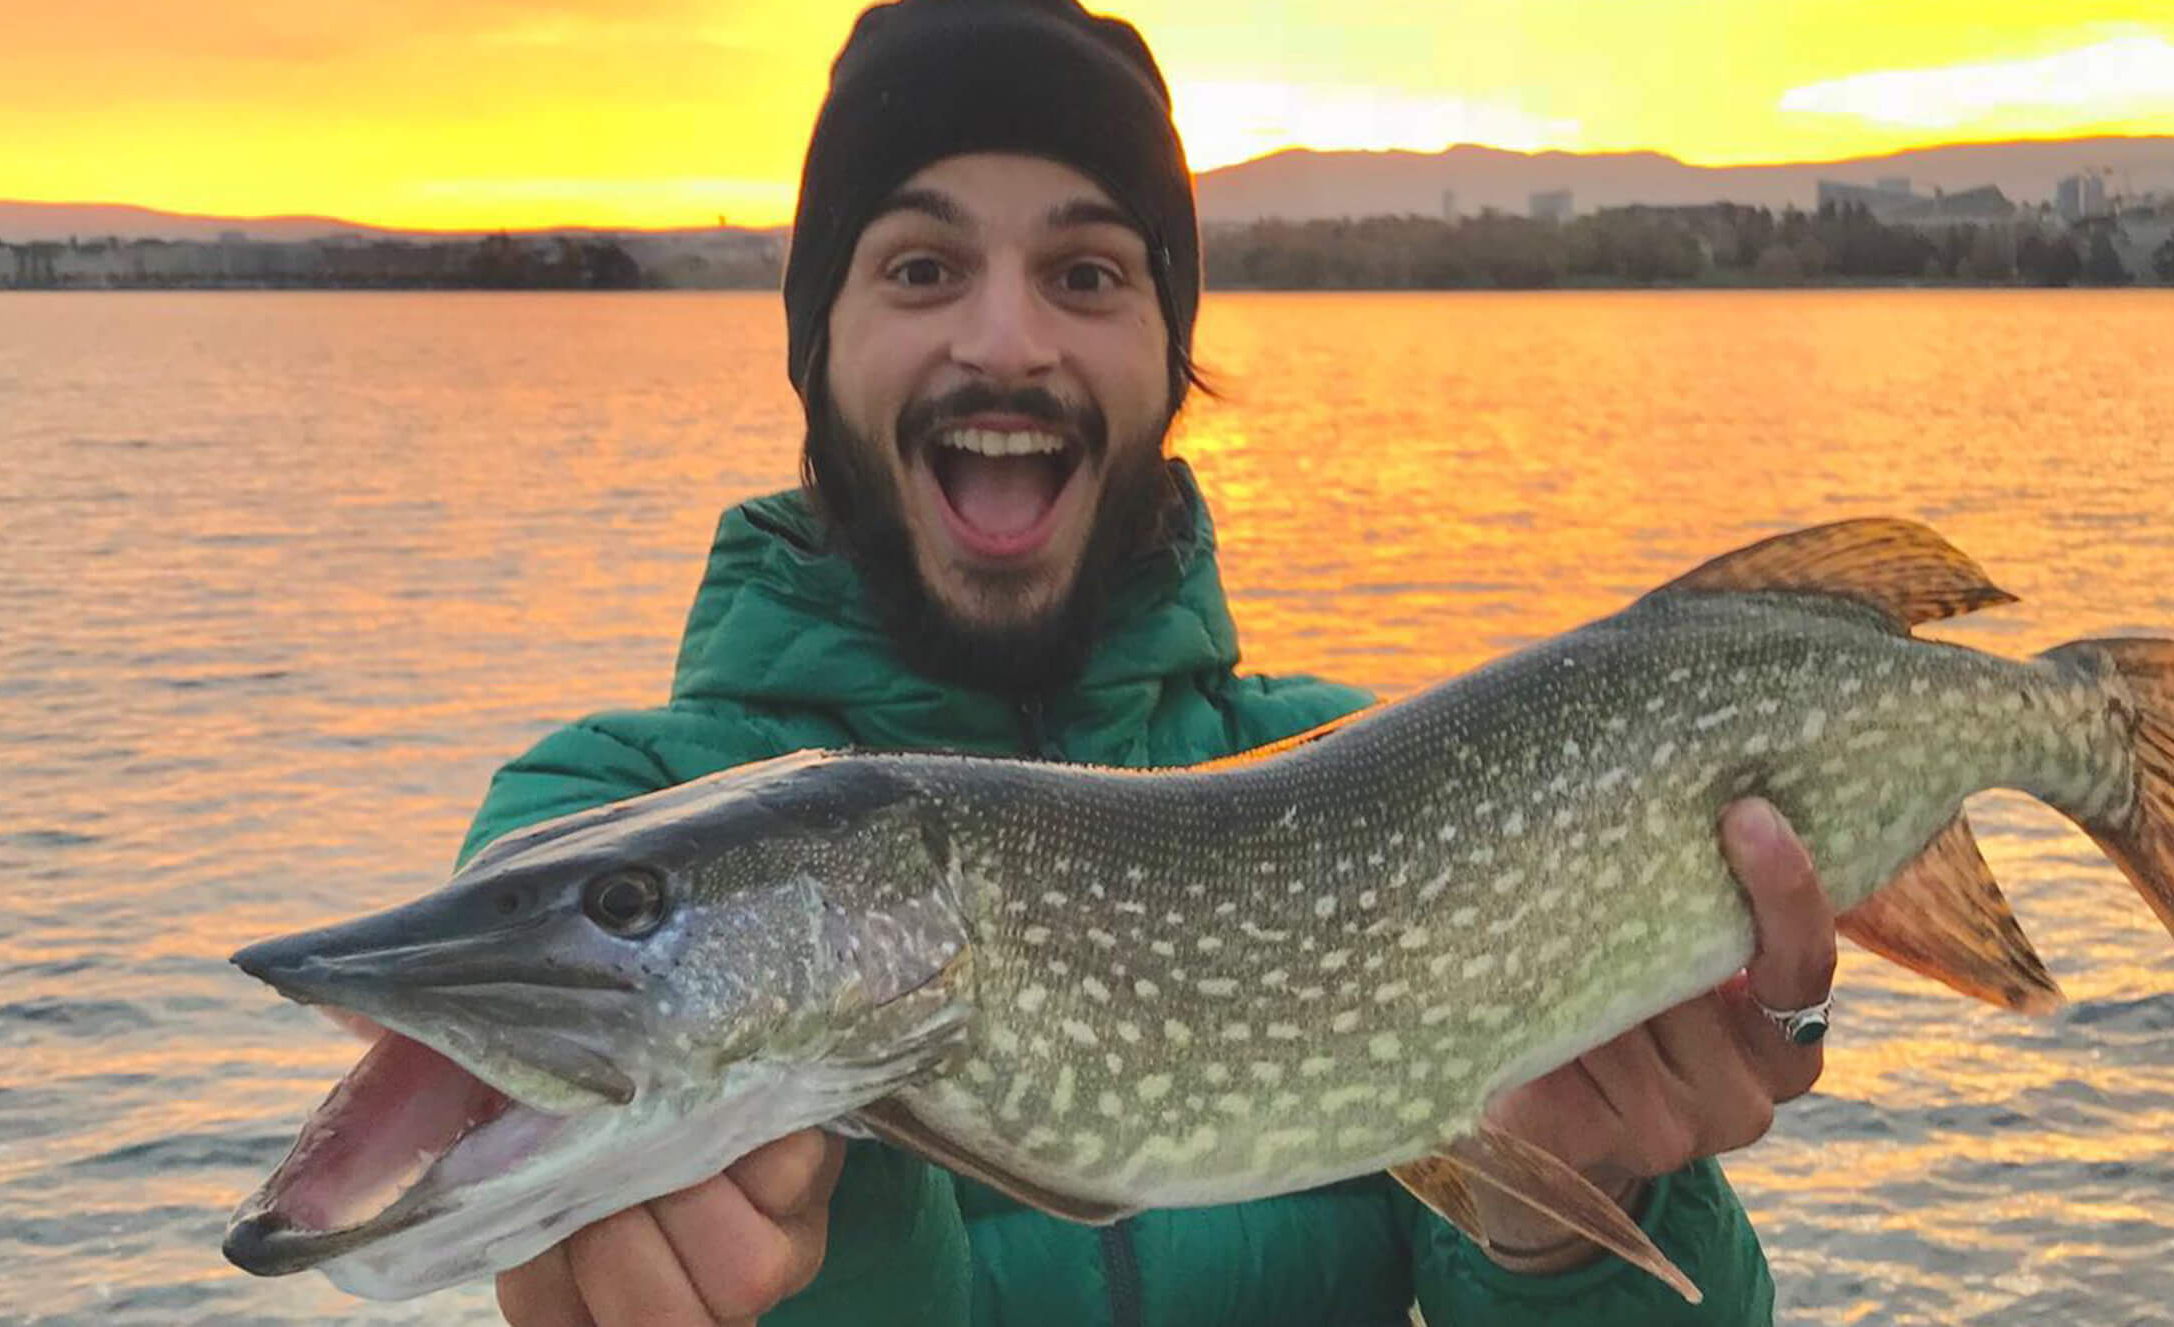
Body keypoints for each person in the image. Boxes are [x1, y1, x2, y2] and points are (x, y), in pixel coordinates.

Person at [471, 1, 1838, 1322]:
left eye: (1086, 275)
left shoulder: (1378, 774)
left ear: (1171, 354)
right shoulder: (600, 817)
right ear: (815, 344)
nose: (1005, 343)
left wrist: (1568, 1215)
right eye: (919, 268)